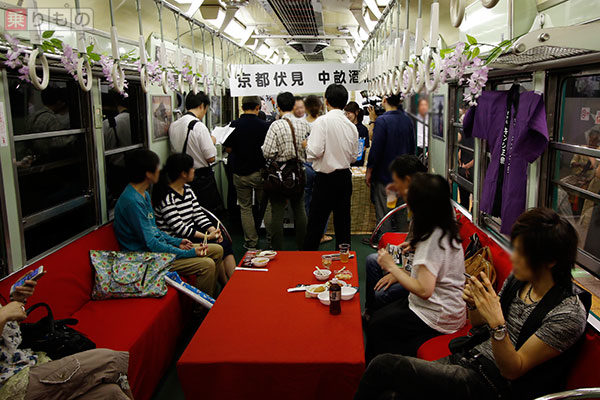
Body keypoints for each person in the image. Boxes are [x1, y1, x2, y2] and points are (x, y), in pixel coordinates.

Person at [356, 208, 589, 400]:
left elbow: (512, 369)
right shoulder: (519, 280)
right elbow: (479, 328)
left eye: (522, 252)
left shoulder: (567, 313)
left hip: (494, 385)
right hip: (471, 358)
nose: (513, 257)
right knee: (390, 394)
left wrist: (497, 323)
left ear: (550, 261)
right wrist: (475, 306)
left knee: (383, 365)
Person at [365, 173, 465, 362]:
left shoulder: (432, 240)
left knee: (376, 326)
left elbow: (424, 290)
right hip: (445, 309)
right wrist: (415, 245)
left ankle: (379, 373)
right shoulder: (444, 225)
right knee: (379, 318)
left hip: (437, 315)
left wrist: (392, 267)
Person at [0, 275, 133, 400]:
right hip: (11, 383)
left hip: (25, 361)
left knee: (110, 393)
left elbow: (8, 341)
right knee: (111, 360)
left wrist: (17, 301)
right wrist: (3, 316)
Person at [113, 149, 224, 297]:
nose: (160, 171)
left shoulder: (143, 194)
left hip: (157, 250)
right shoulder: (132, 202)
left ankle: (210, 298)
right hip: (145, 258)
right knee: (207, 265)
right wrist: (189, 252)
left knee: (217, 250)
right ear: (148, 173)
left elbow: (155, 231)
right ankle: (200, 312)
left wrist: (178, 242)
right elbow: (151, 244)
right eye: (156, 167)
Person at [153, 153, 236, 284]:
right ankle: (226, 283)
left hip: (190, 232)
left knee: (223, 241)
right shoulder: (167, 196)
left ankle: (234, 281)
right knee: (215, 245)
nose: (194, 170)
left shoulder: (186, 189)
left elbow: (198, 214)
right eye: (191, 168)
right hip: (178, 240)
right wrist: (207, 237)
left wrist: (213, 230)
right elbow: (179, 228)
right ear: (183, 174)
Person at [364, 155, 427, 314]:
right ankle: (371, 312)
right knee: (372, 260)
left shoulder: (428, 208)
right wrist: (409, 244)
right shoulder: (418, 198)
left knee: (381, 293)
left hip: (421, 274)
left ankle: (380, 316)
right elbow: (416, 242)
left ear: (407, 180)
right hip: (413, 258)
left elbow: (428, 260)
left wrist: (397, 273)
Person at [303, 84, 359, 251]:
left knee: (316, 223)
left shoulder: (322, 122)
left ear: (326, 101)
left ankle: (307, 260)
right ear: (345, 102)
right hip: (344, 178)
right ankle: (343, 262)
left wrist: (306, 145)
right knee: (343, 223)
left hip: (325, 179)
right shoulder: (351, 126)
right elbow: (354, 157)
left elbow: (314, 152)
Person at [261, 92, 309, 250]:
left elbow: (267, 152)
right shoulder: (304, 124)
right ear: (294, 106)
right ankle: (303, 248)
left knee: (277, 212)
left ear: (278, 107)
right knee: (300, 209)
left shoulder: (276, 125)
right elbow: (310, 149)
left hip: (279, 175)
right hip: (299, 172)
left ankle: (277, 249)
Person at [223, 96, 270, 250]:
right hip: (260, 173)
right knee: (266, 206)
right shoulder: (265, 126)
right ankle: (270, 240)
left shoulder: (233, 125)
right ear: (258, 107)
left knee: (245, 207)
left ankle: (251, 242)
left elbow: (228, 149)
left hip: (240, 173)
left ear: (242, 107)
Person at [366, 94, 415, 235]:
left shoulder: (382, 121)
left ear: (384, 100)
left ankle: (386, 247)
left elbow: (375, 150)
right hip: (404, 177)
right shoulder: (407, 120)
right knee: (401, 214)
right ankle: (400, 248)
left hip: (385, 176)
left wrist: (369, 170)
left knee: (385, 214)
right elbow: (411, 148)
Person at [169, 91, 222, 213]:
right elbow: (211, 158)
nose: (204, 113)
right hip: (200, 179)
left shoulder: (174, 125)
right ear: (202, 106)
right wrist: (212, 141)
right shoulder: (199, 126)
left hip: (180, 177)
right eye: (206, 109)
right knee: (205, 212)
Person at [302, 95, 332, 244]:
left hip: (305, 165)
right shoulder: (325, 123)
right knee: (323, 203)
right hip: (321, 166)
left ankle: (309, 231)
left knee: (307, 201)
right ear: (321, 107)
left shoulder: (300, 123)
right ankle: (321, 234)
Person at [344, 101, 370, 167]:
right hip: (345, 162)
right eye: (346, 114)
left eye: (349, 113)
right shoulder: (345, 127)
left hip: (357, 163)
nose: (347, 116)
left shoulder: (363, 129)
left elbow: (363, 148)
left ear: (356, 113)